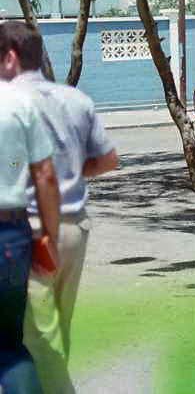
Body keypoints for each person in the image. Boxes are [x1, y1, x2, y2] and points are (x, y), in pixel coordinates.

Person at [0, 21, 119, 394]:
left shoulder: (9, 102)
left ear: (10, 57)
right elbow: (109, 159)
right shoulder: (76, 100)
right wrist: (74, 174)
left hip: (33, 230)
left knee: (33, 338)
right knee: (56, 330)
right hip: (74, 228)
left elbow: (36, 174)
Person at [0, 78, 61, 394]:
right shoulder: (18, 104)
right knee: (8, 345)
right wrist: (50, 235)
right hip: (9, 235)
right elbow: (46, 175)